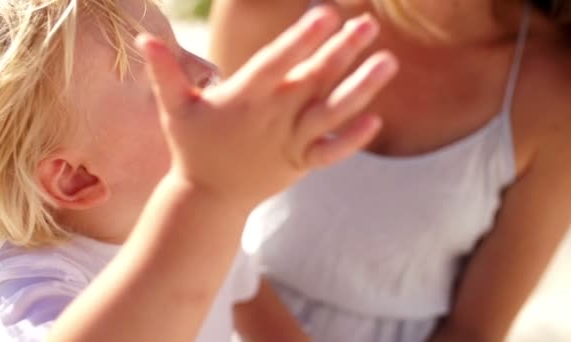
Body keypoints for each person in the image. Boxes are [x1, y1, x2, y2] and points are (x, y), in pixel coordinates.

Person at [0, 1, 397, 341]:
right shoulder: (32, 291)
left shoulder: (187, 223)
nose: (209, 72)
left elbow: (249, 300)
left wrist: (212, 205)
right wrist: (209, 194)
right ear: (76, 178)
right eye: (160, 78)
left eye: (181, 48)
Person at [210, 0, 571, 341]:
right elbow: (196, 204)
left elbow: (474, 330)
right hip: (220, 317)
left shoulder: (553, 85)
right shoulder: (267, 10)